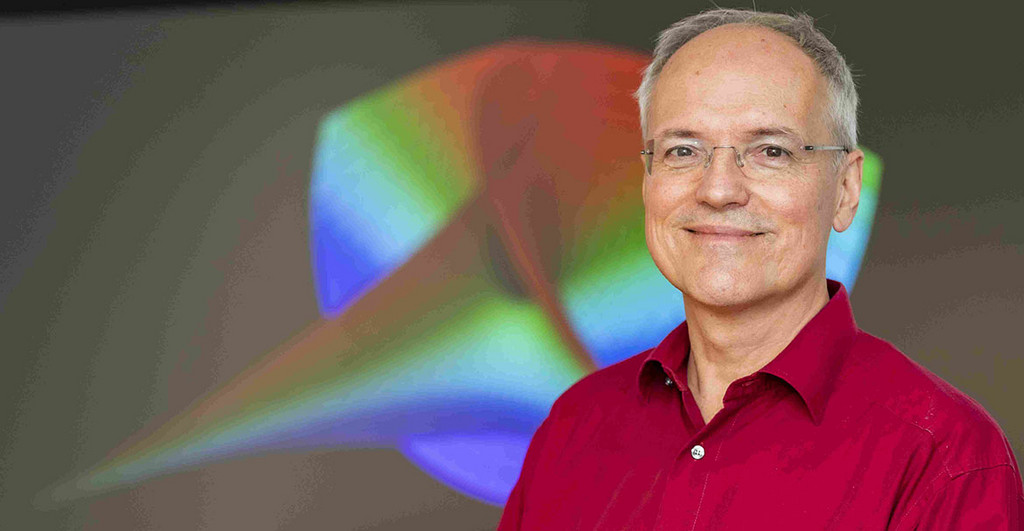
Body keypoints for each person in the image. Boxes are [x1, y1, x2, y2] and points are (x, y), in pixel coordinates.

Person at [497, 8, 1024, 530]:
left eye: (771, 151)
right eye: (684, 150)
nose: (718, 190)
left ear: (846, 189)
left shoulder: (944, 459)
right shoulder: (573, 428)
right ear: (647, 180)